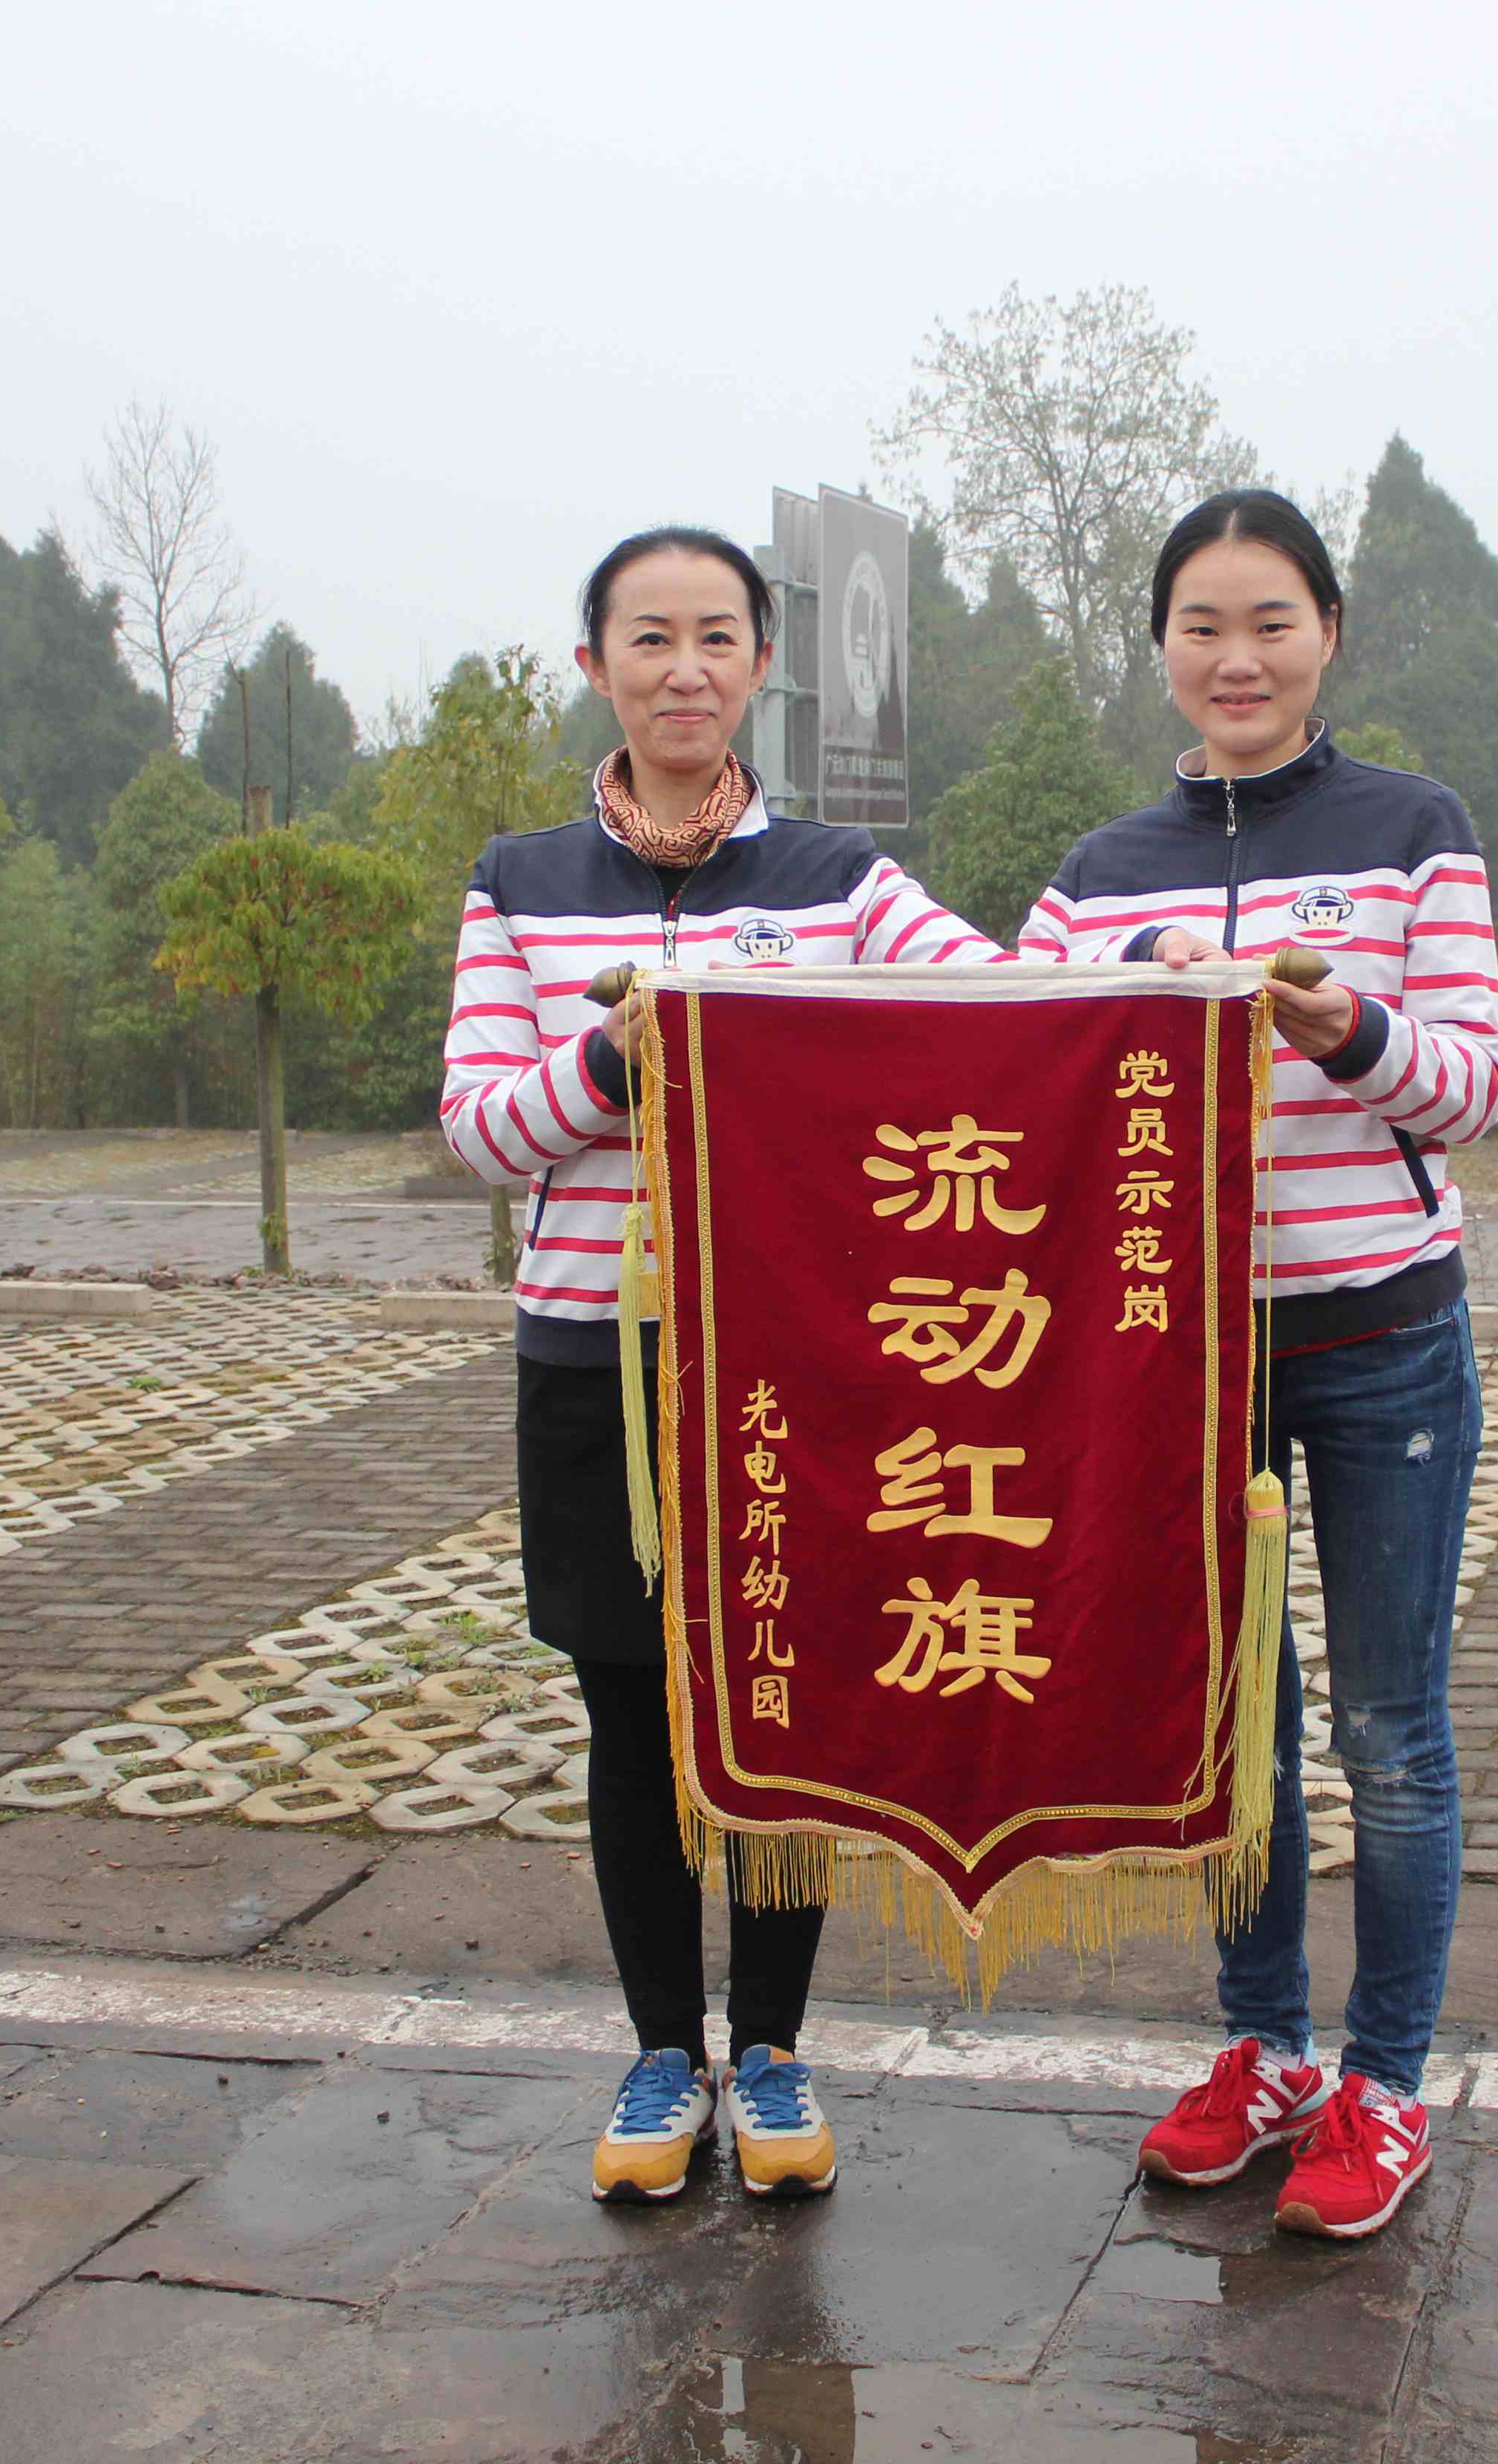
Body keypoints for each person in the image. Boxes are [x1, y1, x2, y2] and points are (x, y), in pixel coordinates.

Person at [441, 525, 998, 2204]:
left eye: (716, 638)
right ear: (596, 664)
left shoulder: (840, 880)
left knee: (780, 1699)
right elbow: (481, 1130)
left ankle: (769, 2049)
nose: (683, 669)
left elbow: (998, 1005)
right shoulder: (518, 882)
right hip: (592, 1361)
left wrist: (1178, 993)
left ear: (763, 664)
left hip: (791, 1363)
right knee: (628, 1709)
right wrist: (612, 1064)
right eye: (649, 637)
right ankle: (658, 2054)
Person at [1017, 491, 1498, 2240]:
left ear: (1329, 635)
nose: (1238, 659)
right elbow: (1010, 1068)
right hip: (1181, 1365)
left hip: (1383, 1341)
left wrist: (1344, 1026)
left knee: (1390, 1728)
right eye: (1204, 627)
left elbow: (1472, 1090)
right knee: (1236, 1728)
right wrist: (1134, 973)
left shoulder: (1413, 833)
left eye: (1272, 623)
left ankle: (1385, 2085)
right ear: (1160, 645)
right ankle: (1268, 2053)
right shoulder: (1097, 873)